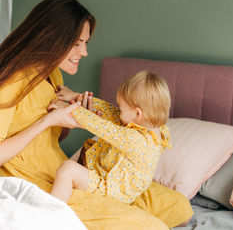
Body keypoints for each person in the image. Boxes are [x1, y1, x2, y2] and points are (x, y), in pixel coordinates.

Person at [0, 0, 193, 229]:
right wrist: (48, 120)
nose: (85, 52)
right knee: (151, 227)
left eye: (85, 43)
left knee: (180, 207)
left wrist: (67, 122)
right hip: (43, 186)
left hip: (67, 171)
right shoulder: (8, 84)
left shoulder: (52, 73)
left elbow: (53, 138)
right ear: (52, 40)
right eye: (77, 44)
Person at [50, 71, 171, 204]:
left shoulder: (137, 140)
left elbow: (101, 126)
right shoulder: (154, 128)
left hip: (112, 192)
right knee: (86, 150)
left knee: (68, 169)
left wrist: (68, 109)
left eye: (121, 109)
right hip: (110, 181)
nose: (117, 111)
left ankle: (53, 211)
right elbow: (110, 111)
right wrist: (76, 96)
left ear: (137, 113)